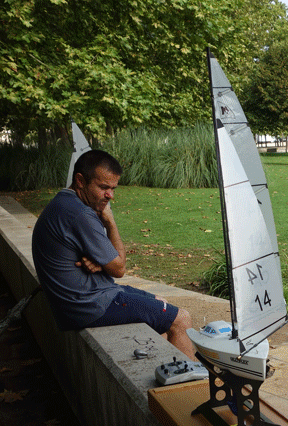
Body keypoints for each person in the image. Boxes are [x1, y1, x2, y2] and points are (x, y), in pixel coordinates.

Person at [31, 149, 195, 358]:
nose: (110, 195)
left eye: (113, 188)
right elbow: (119, 268)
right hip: (89, 306)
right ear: (80, 181)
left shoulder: (63, 203)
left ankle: (167, 366)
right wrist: (110, 222)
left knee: (160, 302)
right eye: (103, 187)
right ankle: (192, 379)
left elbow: (106, 262)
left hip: (83, 299)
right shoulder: (80, 213)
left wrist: (101, 262)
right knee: (181, 319)